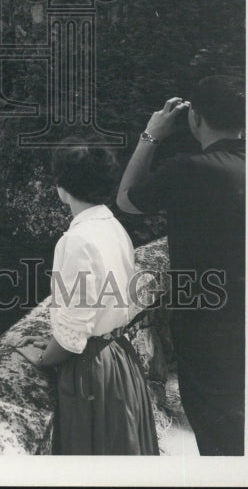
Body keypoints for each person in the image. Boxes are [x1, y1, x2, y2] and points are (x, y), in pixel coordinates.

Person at [117, 76, 245, 456]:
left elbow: (126, 200)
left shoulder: (190, 170)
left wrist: (151, 136)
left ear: (195, 118)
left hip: (208, 323)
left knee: (221, 431)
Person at [15, 144, 159, 455]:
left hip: (92, 371)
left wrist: (42, 358)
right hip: (119, 359)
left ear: (62, 190)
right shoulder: (114, 227)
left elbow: (73, 335)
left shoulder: (76, 240)